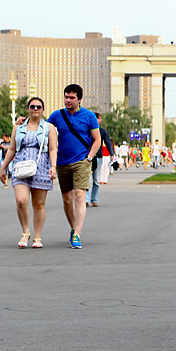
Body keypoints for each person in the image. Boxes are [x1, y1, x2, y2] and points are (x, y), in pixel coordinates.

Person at [46, 84, 100, 249]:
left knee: (79, 195)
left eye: (71, 98)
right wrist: (23, 121)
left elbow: (97, 139)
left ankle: (77, 233)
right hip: (62, 162)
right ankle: (73, 227)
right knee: (67, 199)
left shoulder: (89, 116)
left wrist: (89, 157)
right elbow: (42, 130)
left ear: (79, 99)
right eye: (66, 97)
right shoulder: (57, 115)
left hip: (81, 162)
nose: (68, 100)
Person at [0, 97, 57, 249]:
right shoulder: (18, 127)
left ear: (43, 109)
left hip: (41, 167)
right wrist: (3, 167)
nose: (35, 109)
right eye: (32, 106)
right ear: (28, 109)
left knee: (39, 204)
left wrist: (53, 166)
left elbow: (53, 148)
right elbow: (12, 148)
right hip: (21, 167)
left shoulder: (48, 127)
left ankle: (37, 236)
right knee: (21, 200)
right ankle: (25, 231)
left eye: (38, 106)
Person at [86, 112, 115, 207]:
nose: (100, 120)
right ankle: (86, 199)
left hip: (98, 157)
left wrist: (112, 154)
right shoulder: (87, 130)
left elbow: (108, 142)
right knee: (87, 180)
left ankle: (94, 199)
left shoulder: (102, 131)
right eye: (99, 118)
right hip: (87, 157)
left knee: (96, 180)